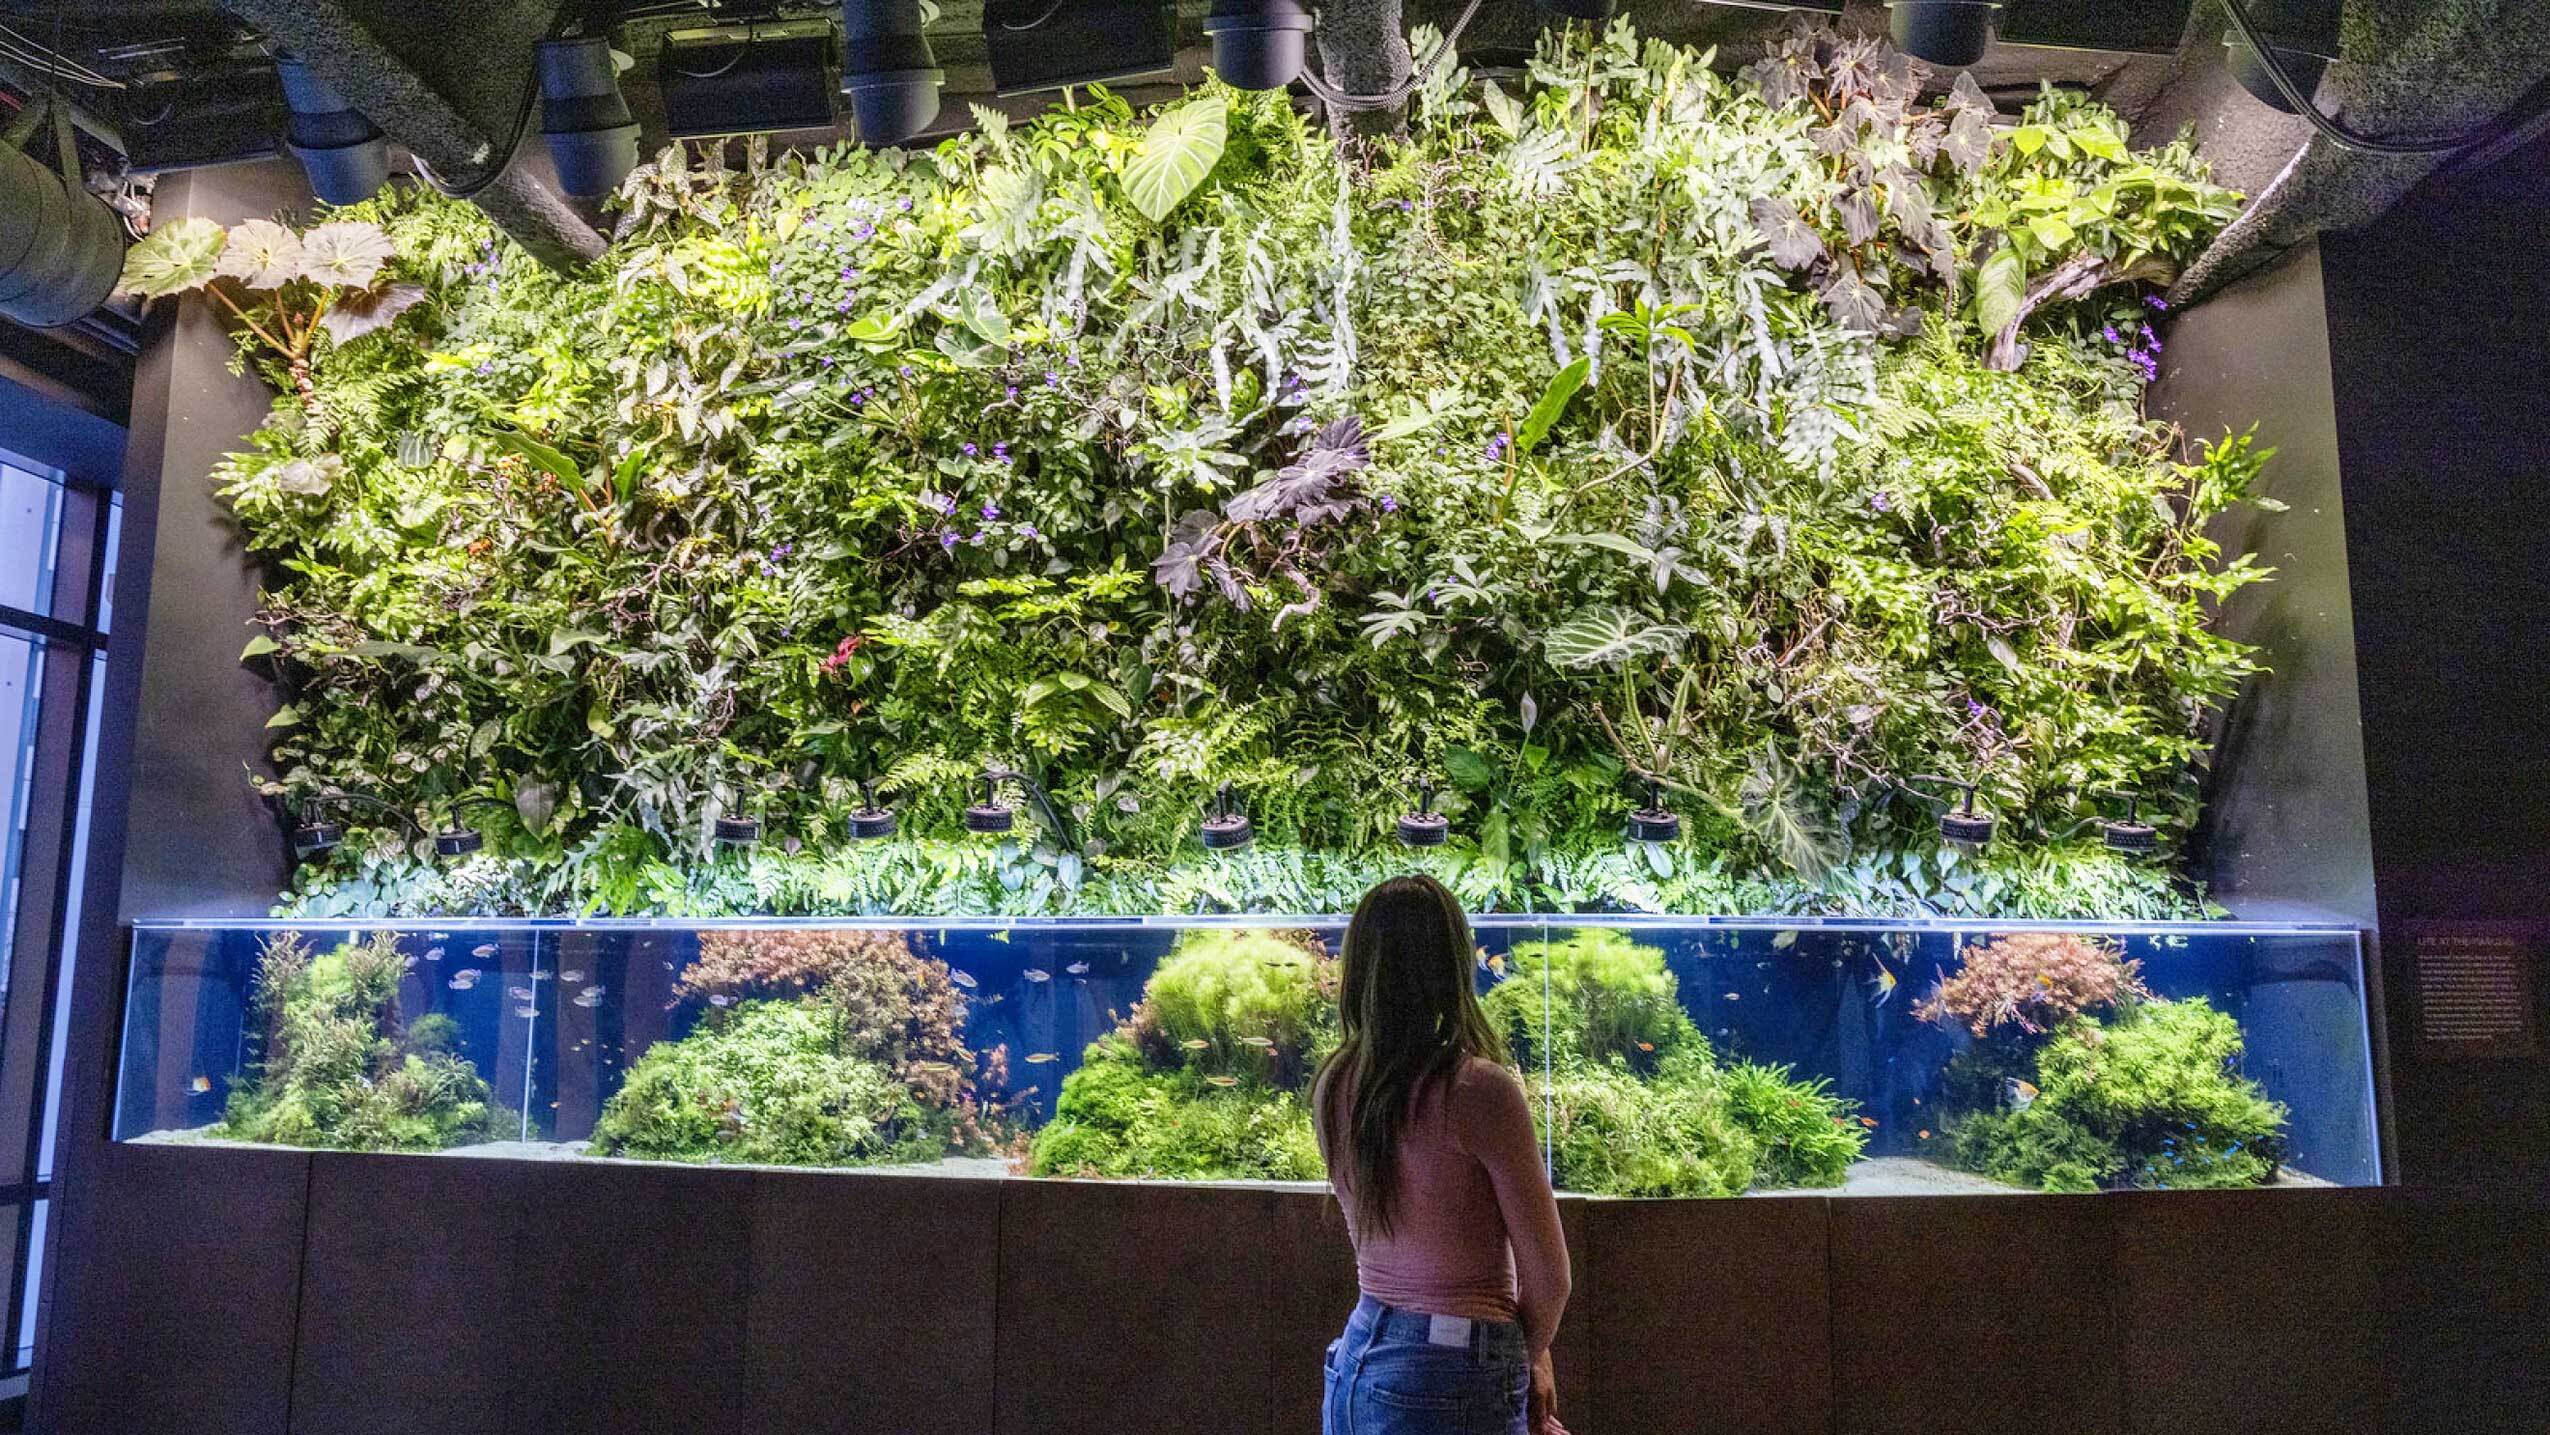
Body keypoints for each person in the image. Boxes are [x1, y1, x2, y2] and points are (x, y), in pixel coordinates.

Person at [1313, 875, 1572, 1435]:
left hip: (1357, 1363)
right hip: (1446, 1379)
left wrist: (1528, 1360)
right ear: (1453, 965)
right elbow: (1551, 1280)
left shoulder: (1333, 1086)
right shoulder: (1479, 1092)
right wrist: (1516, 1362)